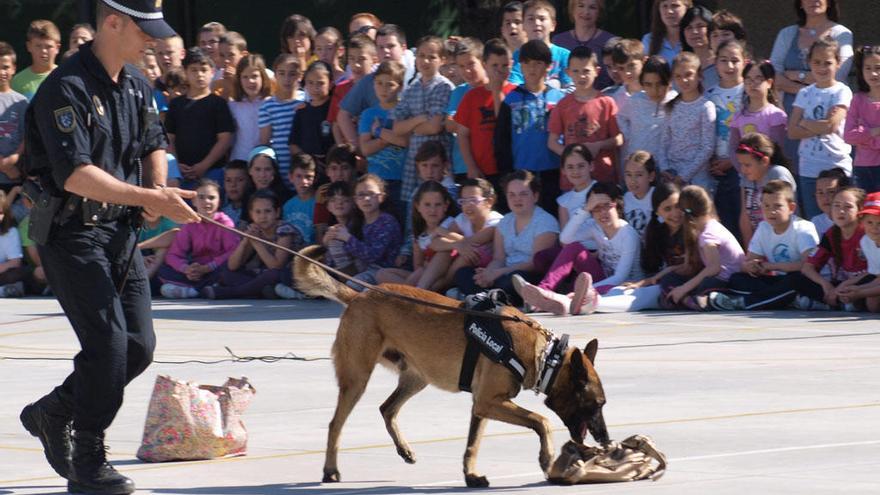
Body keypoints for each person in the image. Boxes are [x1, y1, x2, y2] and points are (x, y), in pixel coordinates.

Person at [19, 1, 200, 493]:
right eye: (145, 31)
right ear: (113, 23)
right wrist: (149, 197)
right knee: (107, 347)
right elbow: (76, 175)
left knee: (137, 348)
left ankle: (53, 412)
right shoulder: (66, 86)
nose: (153, 42)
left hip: (119, 232)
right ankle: (88, 459)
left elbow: (152, 141)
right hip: (71, 234)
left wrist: (155, 193)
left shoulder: (138, 83)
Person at [514, 182, 641, 315]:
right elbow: (565, 239)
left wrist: (584, 291)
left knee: (596, 291)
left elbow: (620, 277)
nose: (602, 212)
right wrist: (585, 210)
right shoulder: (594, 227)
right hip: (599, 282)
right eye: (596, 208)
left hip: (625, 286)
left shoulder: (628, 234)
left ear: (618, 206)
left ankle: (557, 299)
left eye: (607, 206)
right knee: (574, 247)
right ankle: (542, 292)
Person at [770, 0, 852, 181]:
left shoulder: (842, 34)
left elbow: (838, 74)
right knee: (794, 178)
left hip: (828, 124)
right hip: (792, 116)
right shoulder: (787, 34)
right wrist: (808, 86)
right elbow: (773, 75)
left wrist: (796, 76)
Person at [706, 180, 819, 311]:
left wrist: (771, 266)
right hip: (778, 282)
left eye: (777, 206)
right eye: (766, 206)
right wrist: (752, 267)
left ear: (791, 208)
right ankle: (785, 300)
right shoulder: (763, 227)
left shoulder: (803, 228)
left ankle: (742, 303)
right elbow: (747, 262)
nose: (771, 211)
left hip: (804, 281)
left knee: (795, 280)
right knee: (737, 279)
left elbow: (807, 266)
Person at [453, 170, 559, 306]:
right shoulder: (504, 222)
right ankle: (490, 299)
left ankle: (485, 299)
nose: (517, 199)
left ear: (535, 196)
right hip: (503, 273)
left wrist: (497, 273)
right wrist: (487, 274)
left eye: (523, 194)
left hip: (528, 275)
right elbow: (499, 258)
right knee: (463, 274)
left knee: (511, 281)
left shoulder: (546, 222)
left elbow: (536, 264)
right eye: (512, 195)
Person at [494, 40, 566, 211]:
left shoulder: (559, 98)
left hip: (553, 172)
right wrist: (506, 173)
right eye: (527, 63)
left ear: (548, 66)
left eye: (538, 63)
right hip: (521, 173)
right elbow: (501, 140)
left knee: (552, 217)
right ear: (520, 65)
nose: (532, 68)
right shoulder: (511, 100)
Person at [787, 37, 852, 219]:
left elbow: (832, 125)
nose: (822, 68)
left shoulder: (842, 91)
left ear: (838, 64)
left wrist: (806, 123)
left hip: (836, 164)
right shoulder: (804, 93)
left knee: (841, 216)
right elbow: (792, 131)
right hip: (809, 165)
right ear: (809, 63)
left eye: (828, 63)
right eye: (817, 62)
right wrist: (820, 125)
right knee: (814, 219)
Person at [205, 190, 305, 300]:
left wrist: (256, 242)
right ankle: (260, 290)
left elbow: (276, 266)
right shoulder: (256, 229)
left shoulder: (285, 230)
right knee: (226, 273)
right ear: (251, 214)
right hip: (266, 275)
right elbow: (233, 265)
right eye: (258, 212)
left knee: (273, 275)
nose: (263, 216)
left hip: (289, 274)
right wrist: (245, 241)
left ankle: (233, 292)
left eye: (267, 211)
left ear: (277, 212)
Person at [393, 35, 454, 207]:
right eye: (421, 55)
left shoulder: (444, 87)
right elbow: (397, 128)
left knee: (438, 203)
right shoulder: (411, 89)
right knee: (414, 208)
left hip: (437, 161)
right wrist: (419, 119)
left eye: (431, 57)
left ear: (442, 60)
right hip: (414, 160)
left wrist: (409, 125)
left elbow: (434, 127)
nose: (425, 61)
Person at [547, 46, 623, 185]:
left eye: (586, 71)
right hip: (572, 181)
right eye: (576, 71)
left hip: (603, 176)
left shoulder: (607, 103)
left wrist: (598, 146)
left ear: (597, 71)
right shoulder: (562, 105)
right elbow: (552, 142)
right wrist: (571, 157)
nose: (581, 76)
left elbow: (618, 139)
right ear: (568, 72)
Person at [660, 185, 743, 309]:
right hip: (718, 278)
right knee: (669, 279)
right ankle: (690, 300)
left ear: (685, 212)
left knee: (704, 286)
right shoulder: (707, 227)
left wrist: (684, 288)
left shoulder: (708, 234)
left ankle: (691, 300)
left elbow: (714, 268)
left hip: (729, 282)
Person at [165, 47, 235, 187]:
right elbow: (169, 138)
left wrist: (204, 165)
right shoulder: (176, 105)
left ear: (212, 72)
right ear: (185, 72)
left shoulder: (218, 103)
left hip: (213, 172)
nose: (199, 75)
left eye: (204, 70)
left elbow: (225, 139)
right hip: (182, 173)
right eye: (194, 70)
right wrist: (177, 164)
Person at [157, 179, 239, 298]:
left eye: (211, 198)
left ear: (219, 201)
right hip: (195, 271)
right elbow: (173, 254)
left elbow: (233, 252)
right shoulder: (190, 223)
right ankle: (196, 289)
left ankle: (193, 290)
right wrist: (186, 269)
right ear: (194, 201)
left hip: (214, 268)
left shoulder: (225, 222)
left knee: (227, 272)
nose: (206, 201)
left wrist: (209, 267)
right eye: (201, 197)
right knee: (163, 270)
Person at [452, 39, 516, 183]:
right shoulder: (471, 96)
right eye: (494, 65)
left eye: (504, 65)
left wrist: (497, 90)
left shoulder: (515, 93)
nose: (499, 70)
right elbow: (462, 135)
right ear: (485, 64)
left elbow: (503, 125)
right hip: (481, 170)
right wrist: (471, 167)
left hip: (510, 168)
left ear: (511, 64)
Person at [325, 173, 403, 287]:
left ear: (381, 197)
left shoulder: (387, 222)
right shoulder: (358, 221)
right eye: (361, 195)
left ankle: (350, 286)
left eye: (371, 194)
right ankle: (345, 282)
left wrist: (348, 238)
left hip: (383, 271)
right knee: (335, 241)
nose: (366, 199)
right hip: (364, 268)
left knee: (354, 286)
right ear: (355, 200)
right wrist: (328, 239)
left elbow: (373, 255)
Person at [376, 180, 456, 289]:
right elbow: (418, 267)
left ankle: (408, 293)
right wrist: (422, 269)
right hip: (423, 277)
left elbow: (457, 248)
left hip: (443, 278)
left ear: (446, 206)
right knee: (381, 274)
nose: (433, 210)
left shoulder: (451, 224)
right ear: (418, 206)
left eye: (438, 204)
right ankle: (408, 292)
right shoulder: (419, 235)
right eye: (427, 205)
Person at [432, 178, 504, 298]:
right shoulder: (463, 218)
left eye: (473, 200)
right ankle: (422, 288)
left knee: (469, 252)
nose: (467, 206)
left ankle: (439, 288)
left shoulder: (496, 221)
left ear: (489, 202)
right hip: (466, 268)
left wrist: (443, 231)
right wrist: (455, 245)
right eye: (463, 201)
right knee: (444, 252)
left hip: (489, 269)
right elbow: (434, 243)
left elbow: (471, 242)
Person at [705, 39, 747, 239]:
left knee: (743, 219)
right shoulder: (709, 94)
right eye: (723, 60)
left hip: (742, 165)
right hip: (714, 166)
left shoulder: (749, 92)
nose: (729, 66)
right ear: (715, 63)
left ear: (745, 62)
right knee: (722, 221)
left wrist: (732, 161)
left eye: (735, 60)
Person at [658, 51, 716, 191]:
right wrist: (665, 168)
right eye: (678, 76)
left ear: (699, 75)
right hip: (672, 175)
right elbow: (664, 141)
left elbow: (707, 147)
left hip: (697, 178)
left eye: (688, 74)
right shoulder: (671, 106)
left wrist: (684, 176)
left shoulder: (706, 107)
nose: (684, 80)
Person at [358, 60, 408, 202]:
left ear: (400, 87)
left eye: (390, 84)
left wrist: (379, 131)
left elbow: (405, 141)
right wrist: (391, 137)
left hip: (401, 178)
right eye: (379, 83)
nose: (383, 89)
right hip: (375, 181)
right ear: (373, 84)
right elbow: (366, 149)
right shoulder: (369, 114)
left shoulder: (405, 111)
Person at [736, 132, 797, 247]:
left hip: (783, 243)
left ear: (764, 161)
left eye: (747, 165)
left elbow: (785, 214)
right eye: (741, 164)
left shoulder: (778, 174)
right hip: (759, 243)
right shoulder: (746, 177)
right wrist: (751, 249)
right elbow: (744, 216)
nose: (743, 170)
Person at [617, 55, 676, 161]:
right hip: (637, 165)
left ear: (669, 81)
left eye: (660, 84)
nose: (654, 90)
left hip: (665, 165)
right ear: (642, 83)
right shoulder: (636, 100)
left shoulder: (675, 102)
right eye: (648, 84)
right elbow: (620, 117)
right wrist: (629, 136)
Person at [728, 60, 788, 160]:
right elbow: (733, 148)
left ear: (769, 83)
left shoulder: (776, 115)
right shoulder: (738, 117)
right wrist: (743, 168)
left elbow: (777, 149)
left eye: (758, 79)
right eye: (748, 79)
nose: (752, 84)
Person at [551, 0, 617, 90]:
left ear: (599, 12)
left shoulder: (610, 41)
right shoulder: (558, 41)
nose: (586, 12)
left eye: (592, 7)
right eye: (581, 6)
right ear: (572, 9)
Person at [258, 54, 304, 181]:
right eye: (282, 73)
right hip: (280, 170)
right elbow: (265, 142)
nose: (287, 79)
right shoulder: (267, 107)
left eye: (292, 74)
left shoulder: (307, 101)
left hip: (304, 169)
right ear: (275, 75)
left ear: (300, 76)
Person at [508, 0, 571, 90]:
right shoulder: (518, 55)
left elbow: (571, 89)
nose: (537, 23)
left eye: (542, 19)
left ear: (553, 25)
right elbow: (514, 86)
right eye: (531, 19)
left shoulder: (565, 55)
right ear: (523, 25)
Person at [844, 46, 880, 193]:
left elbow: (857, 135)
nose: (873, 73)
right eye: (868, 68)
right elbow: (849, 136)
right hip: (864, 167)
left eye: (878, 67)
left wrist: (864, 134)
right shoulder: (858, 100)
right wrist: (875, 131)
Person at [837, 192, 880, 312]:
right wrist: (855, 288)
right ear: (862, 223)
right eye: (870, 222)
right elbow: (878, 277)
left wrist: (860, 292)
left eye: (879, 223)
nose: (874, 228)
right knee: (871, 302)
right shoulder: (866, 242)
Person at [228, 54, 271, 162]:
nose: (250, 81)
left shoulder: (270, 103)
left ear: (263, 77)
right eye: (245, 77)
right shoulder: (233, 105)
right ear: (239, 79)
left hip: (263, 164)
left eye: (254, 76)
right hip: (240, 159)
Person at [288, 61, 335, 159]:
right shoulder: (302, 111)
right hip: (308, 169)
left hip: (332, 167)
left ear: (330, 84)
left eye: (320, 83)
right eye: (310, 83)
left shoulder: (335, 109)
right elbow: (293, 144)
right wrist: (307, 161)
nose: (315, 88)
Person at [0, 42, 27, 192]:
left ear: (14, 69)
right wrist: (4, 165)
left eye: (5, 67)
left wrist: (14, 158)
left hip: (14, 178)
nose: (1, 72)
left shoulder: (21, 102)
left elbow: (26, 136)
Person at [12, 19, 60, 101]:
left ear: (57, 48)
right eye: (38, 46)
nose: (43, 51)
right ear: (29, 46)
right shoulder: (17, 82)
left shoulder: (64, 76)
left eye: (49, 46)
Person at [282, 153, 318, 244]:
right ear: (290, 177)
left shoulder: (319, 204)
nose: (304, 182)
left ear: (315, 178)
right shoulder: (287, 206)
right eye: (299, 176)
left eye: (308, 177)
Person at [623, 151, 656, 238]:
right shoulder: (625, 198)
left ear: (651, 176)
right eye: (628, 175)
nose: (633, 180)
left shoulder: (657, 197)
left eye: (639, 175)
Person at [0, 189, 26, 297]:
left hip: (2, 273)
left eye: (0, 213)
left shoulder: (11, 232)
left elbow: (15, 262)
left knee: (17, 273)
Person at [607, 39, 645, 109]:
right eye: (621, 68)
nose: (627, 73)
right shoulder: (615, 98)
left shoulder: (655, 93)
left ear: (644, 61)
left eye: (631, 66)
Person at [212, 31, 249, 98]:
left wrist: (237, 81)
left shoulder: (261, 75)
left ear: (244, 55)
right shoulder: (216, 78)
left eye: (231, 55)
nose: (226, 60)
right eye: (222, 55)